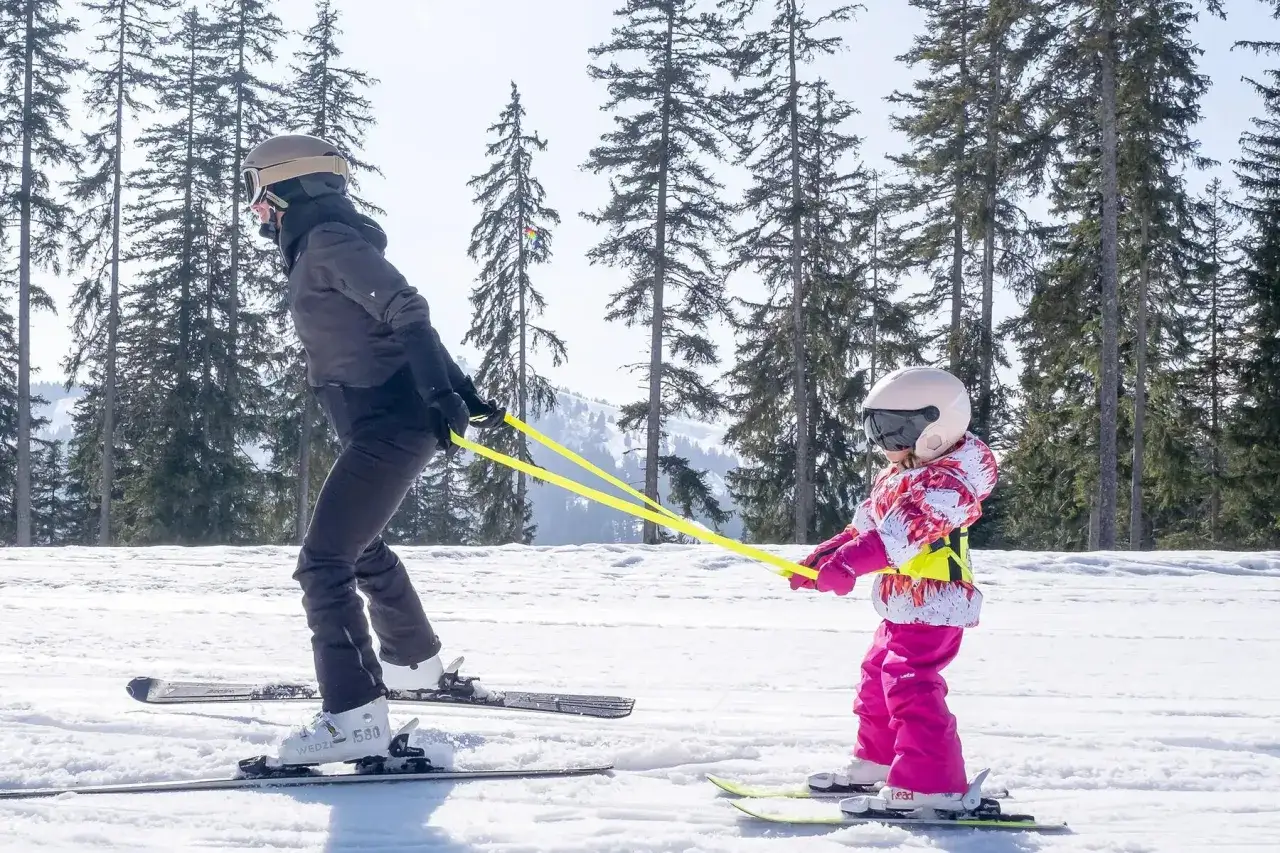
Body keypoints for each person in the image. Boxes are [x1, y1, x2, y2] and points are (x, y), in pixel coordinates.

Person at [241, 133, 505, 767]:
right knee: (359, 548)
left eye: (254, 193)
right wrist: (457, 389)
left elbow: (406, 306)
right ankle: (413, 664)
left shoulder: (330, 243)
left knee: (322, 562)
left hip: (389, 423)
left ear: (286, 186)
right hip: (383, 422)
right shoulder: (320, 246)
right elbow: (397, 322)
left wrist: (443, 390)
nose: (252, 209)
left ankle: (353, 717)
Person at [788, 366, 997, 812]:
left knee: (910, 683)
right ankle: (881, 761)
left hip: (936, 603)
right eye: (876, 428)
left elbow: (897, 536)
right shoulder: (904, 469)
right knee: (877, 674)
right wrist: (823, 557)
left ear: (934, 427)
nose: (885, 442)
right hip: (902, 601)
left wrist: (846, 565)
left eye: (895, 429)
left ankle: (931, 784)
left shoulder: (948, 485)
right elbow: (866, 525)